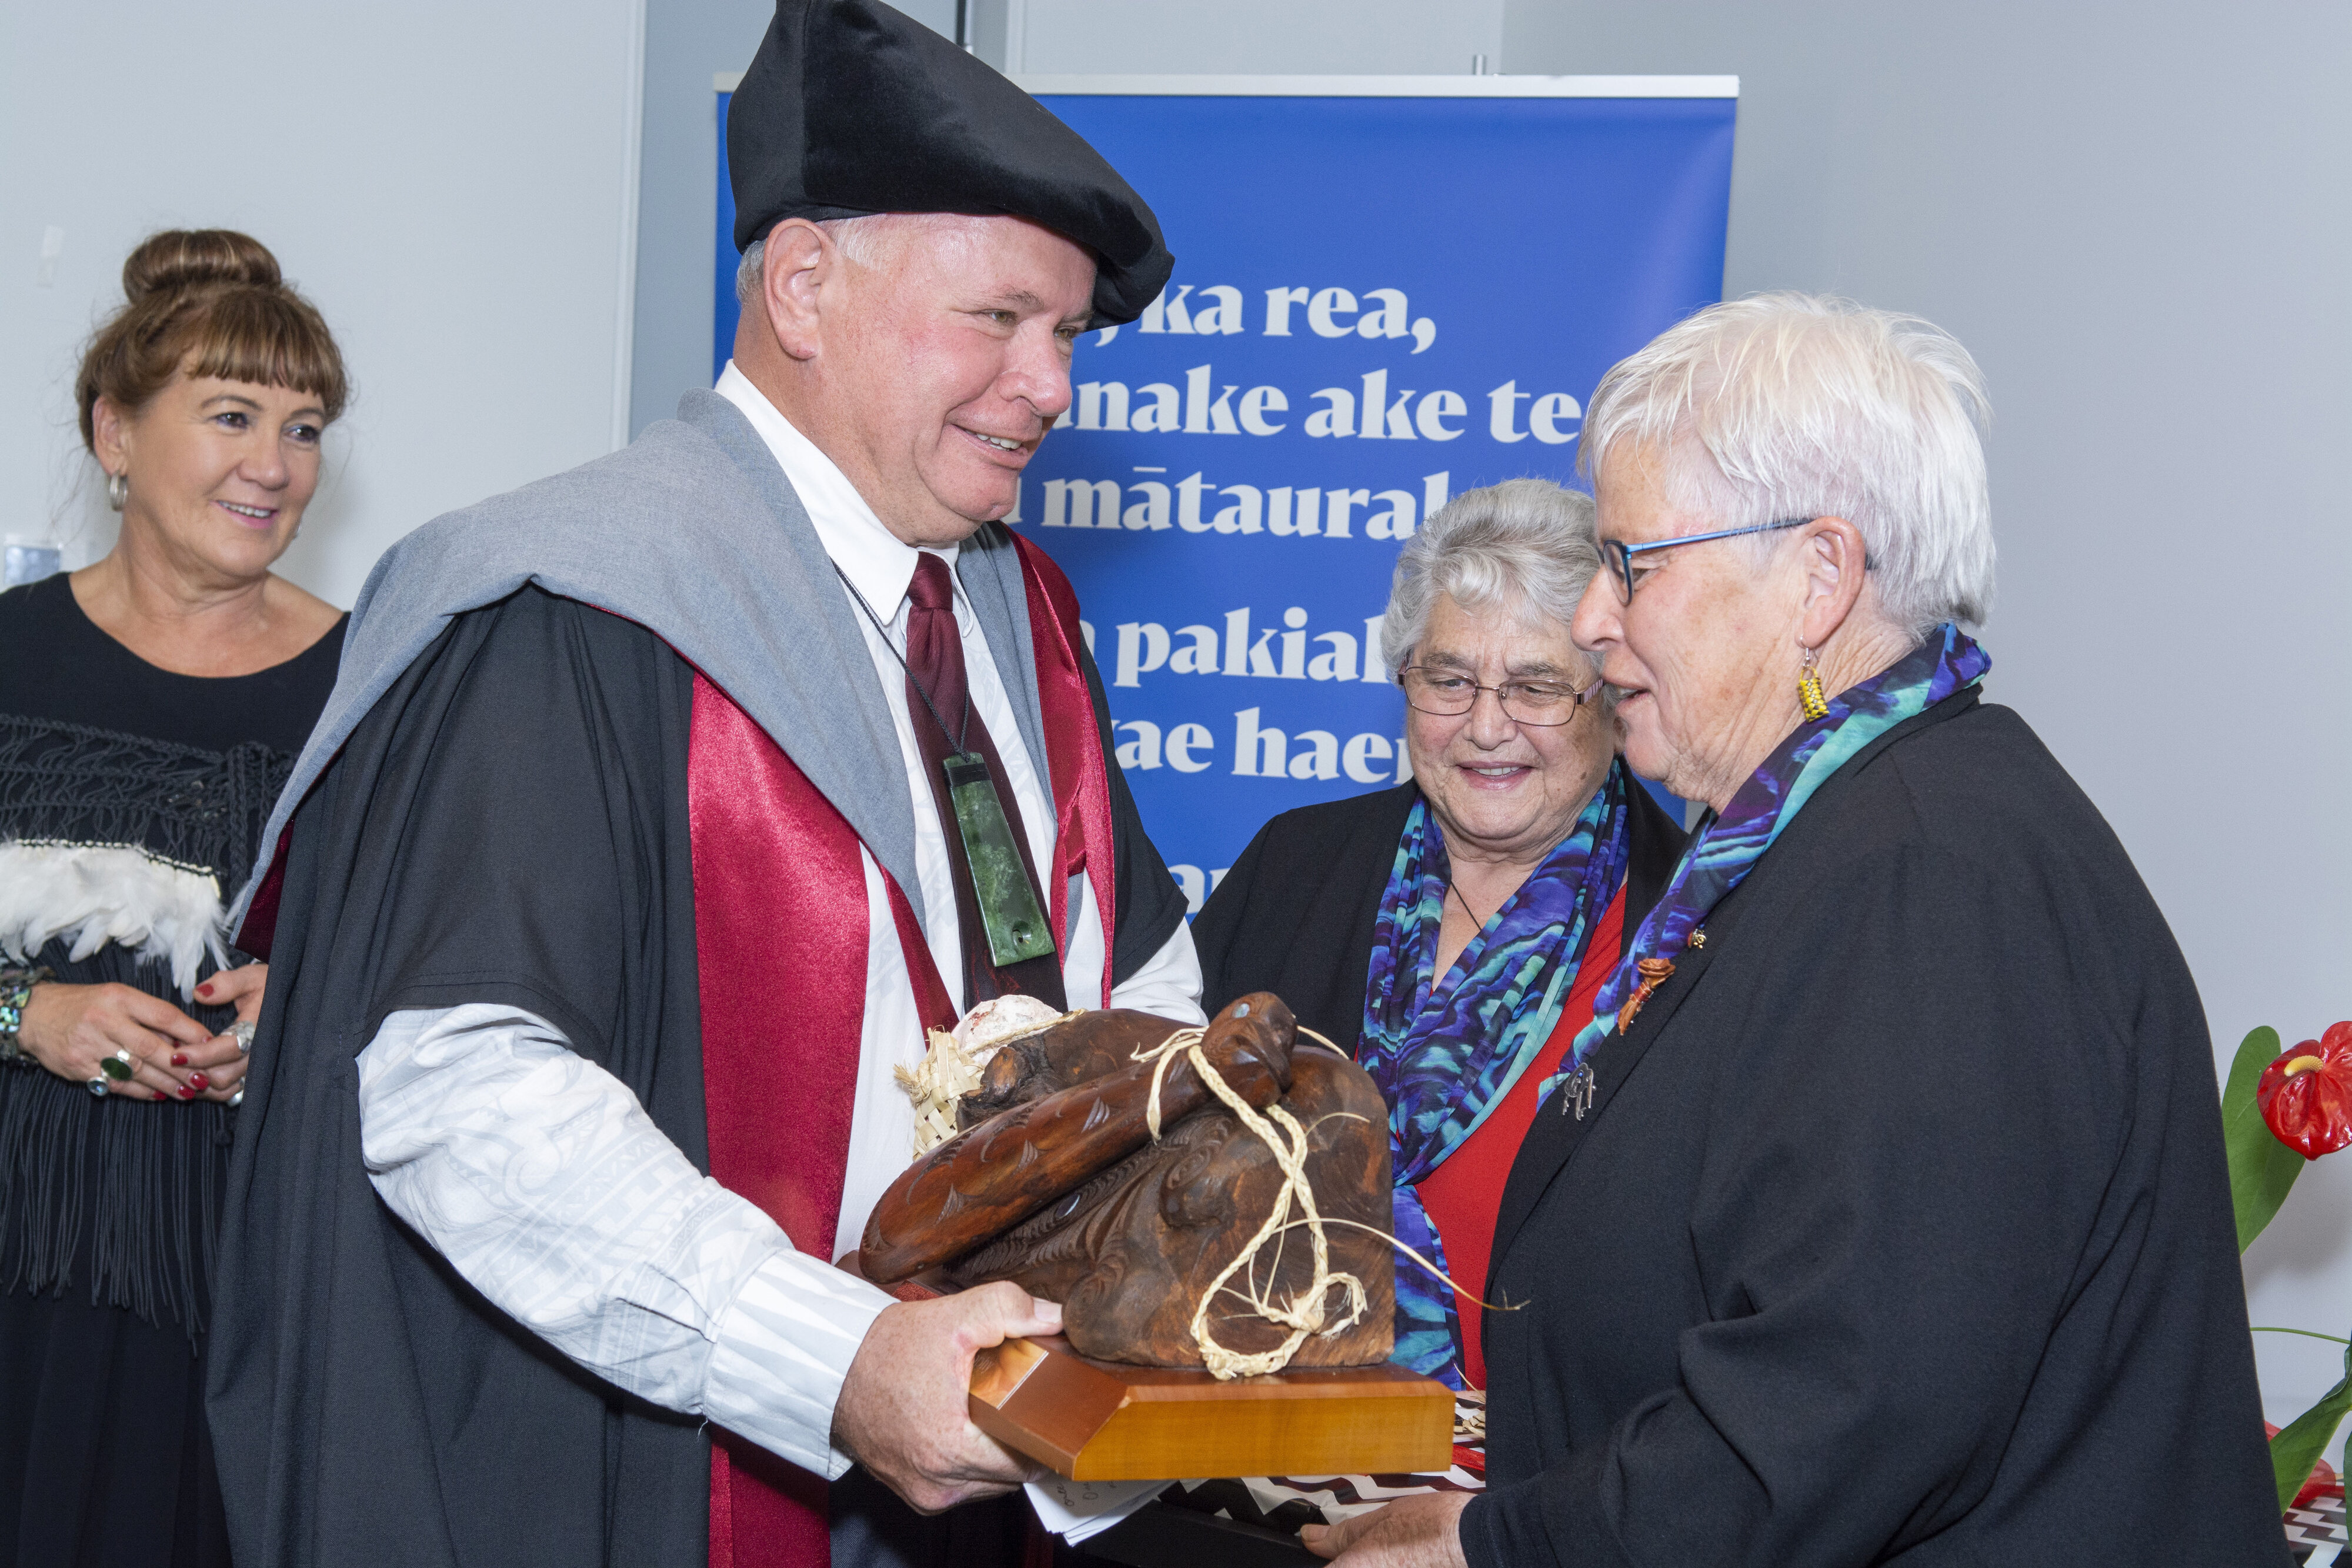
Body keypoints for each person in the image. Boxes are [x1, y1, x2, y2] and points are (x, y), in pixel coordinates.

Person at [204, 5, 1199, 1567]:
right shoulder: (577, 607)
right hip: (661, 1475)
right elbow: (460, 1090)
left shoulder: (1024, 621)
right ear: (805, 285)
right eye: (1002, 318)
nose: (1052, 384)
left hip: (989, 1461)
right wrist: (835, 1358)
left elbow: (1130, 976)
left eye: (1069, 334)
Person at [1299, 295, 2288, 1566]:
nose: (1594, 621)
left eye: (1630, 565)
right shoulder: (1839, 839)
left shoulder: (1929, 878)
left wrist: (1501, 1547)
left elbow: (1841, 1405)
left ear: (1817, 575)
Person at [0, 228, 348, 1567]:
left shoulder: (372, 690)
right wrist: (26, 1010)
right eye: (230, 415)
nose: (274, 464)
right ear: (117, 433)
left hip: (240, 1301)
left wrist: (310, 1008)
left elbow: (452, 970)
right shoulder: (11, 659)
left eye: (304, 425)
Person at [1192, 480, 1684, 1392]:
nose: (1488, 725)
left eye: (1538, 686)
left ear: (1612, 700)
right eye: (1449, 678)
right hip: (1242, 1449)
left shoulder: (1690, 922)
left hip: (1536, 1500)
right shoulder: (1294, 866)